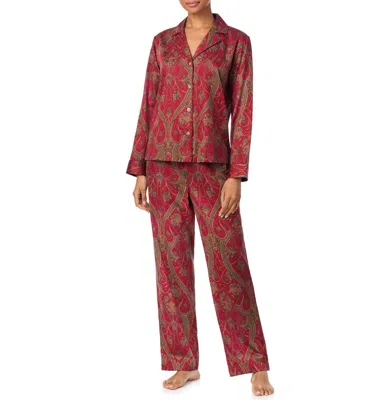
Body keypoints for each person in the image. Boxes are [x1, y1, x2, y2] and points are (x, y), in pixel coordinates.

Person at [126, 0, 274, 396]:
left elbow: (243, 111)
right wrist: (139, 168)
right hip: (163, 164)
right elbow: (149, 104)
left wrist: (236, 174)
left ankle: (254, 363)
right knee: (171, 267)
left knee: (229, 264)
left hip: (213, 168)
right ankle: (183, 361)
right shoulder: (162, 43)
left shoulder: (235, 43)